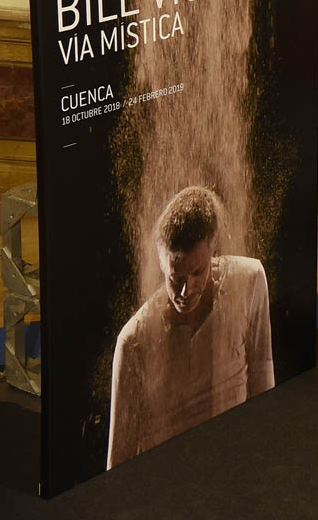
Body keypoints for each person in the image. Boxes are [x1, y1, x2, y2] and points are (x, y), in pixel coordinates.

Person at [107, 186, 274, 469]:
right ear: (161, 265)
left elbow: (263, 384)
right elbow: (118, 459)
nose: (187, 289)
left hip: (236, 466)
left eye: (197, 272)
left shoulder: (249, 281)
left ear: (213, 248)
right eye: (176, 277)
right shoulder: (134, 341)